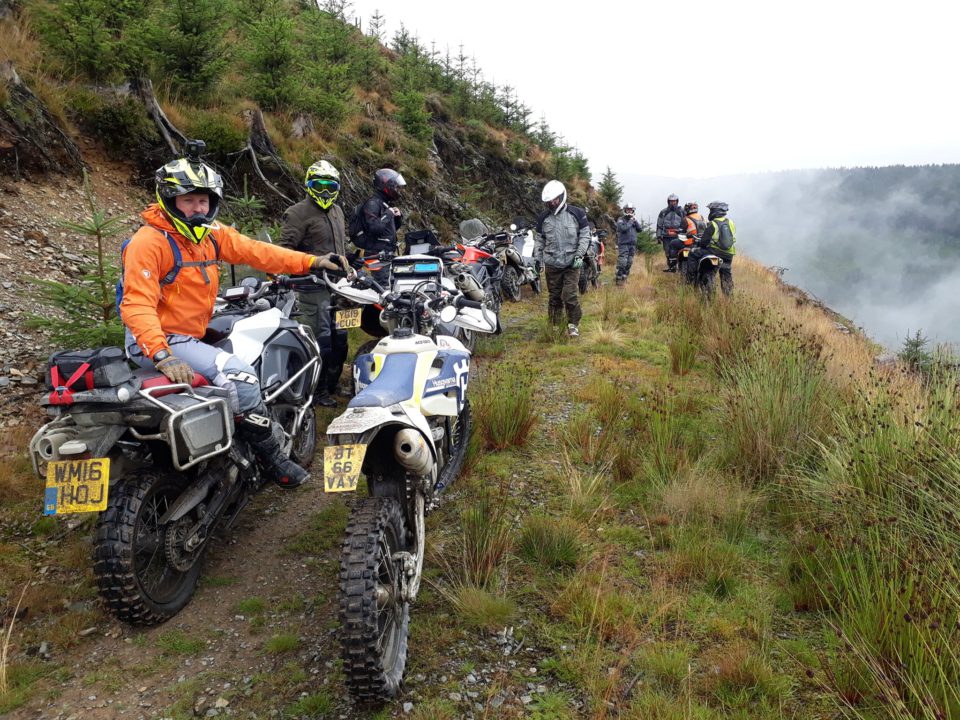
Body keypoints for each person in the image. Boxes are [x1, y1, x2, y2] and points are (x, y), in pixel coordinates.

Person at [118, 144, 348, 489]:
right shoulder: (150, 242)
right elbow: (137, 304)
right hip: (161, 340)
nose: (198, 209)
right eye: (188, 201)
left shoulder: (211, 235)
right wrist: (162, 354)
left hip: (186, 335)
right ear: (169, 201)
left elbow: (256, 251)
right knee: (240, 376)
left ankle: (226, 445)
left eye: (204, 201)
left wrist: (311, 261)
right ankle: (273, 459)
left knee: (237, 357)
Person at [279, 160, 349, 407]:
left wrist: (350, 264)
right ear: (309, 185)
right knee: (321, 341)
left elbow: (339, 246)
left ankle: (332, 384)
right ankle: (316, 392)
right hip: (311, 288)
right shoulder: (297, 213)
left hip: (339, 287)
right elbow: (283, 252)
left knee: (341, 340)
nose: (325, 191)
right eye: (319, 185)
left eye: (330, 186)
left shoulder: (337, 211)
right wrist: (312, 265)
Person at [534, 180, 591, 337]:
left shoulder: (577, 213)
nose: (552, 203)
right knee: (554, 296)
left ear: (561, 196)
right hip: (552, 263)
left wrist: (580, 255)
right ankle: (554, 324)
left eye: (554, 200)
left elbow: (585, 236)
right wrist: (537, 260)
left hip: (572, 262)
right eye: (549, 201)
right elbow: (539, 240)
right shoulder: (543, 218)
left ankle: (573, 324)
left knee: (570, 295)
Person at [351, 168, 406, 284]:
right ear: (387, 186)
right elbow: (375, 228)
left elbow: (389, 231)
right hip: (376, 255)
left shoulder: (384, 204)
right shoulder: (373, 203)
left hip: (386, 254)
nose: (398, 191)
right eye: (396, 187)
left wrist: (397, 217)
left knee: (391, 286)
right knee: (381, 289)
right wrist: (388, 214)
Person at [689, 201, 737, 294]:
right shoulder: (730, 222)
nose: (710, 212)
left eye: (711, 210)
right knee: (726, 274)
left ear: (715, 211)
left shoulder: (713, 224)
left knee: (692, 253)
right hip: (729, 254)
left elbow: (704, 242)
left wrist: (699, 243)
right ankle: (729, 297)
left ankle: (691, 281)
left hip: (715, 252)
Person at [666, 203, 703, 272]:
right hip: (701, 243)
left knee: (673, 243)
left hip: (690, 242)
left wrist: (675, 231)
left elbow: (681, 231)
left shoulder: (686, 219)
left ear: (688, 209)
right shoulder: (702, 217)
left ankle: (672, 265)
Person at [614, 203, 642, 286]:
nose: (629, 211)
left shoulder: (633, 220)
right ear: (625, 210)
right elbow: (623, 228)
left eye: (631, 210)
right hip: (623, 244)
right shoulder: (621, 219)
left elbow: (640, 229)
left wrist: (635, 221)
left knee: (629, 262)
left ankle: (624, 277)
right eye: (628, 210)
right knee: (622, 262)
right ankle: (618, 278)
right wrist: (630, 221)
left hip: (632, 244)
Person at [656, 193, 685, 269]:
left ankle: (680, 267)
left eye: (674, 201)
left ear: (677, 201)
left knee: (679, 251)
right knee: (667, 252)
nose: (673, 203)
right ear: (668, 202)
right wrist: (658, 236)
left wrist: (684, 233)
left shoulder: (682, 211)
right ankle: (671, 266)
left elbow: (686, 223)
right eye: (671, 201)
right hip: (666, 236)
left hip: (678, 235)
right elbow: (659, 224)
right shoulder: (663, 212)